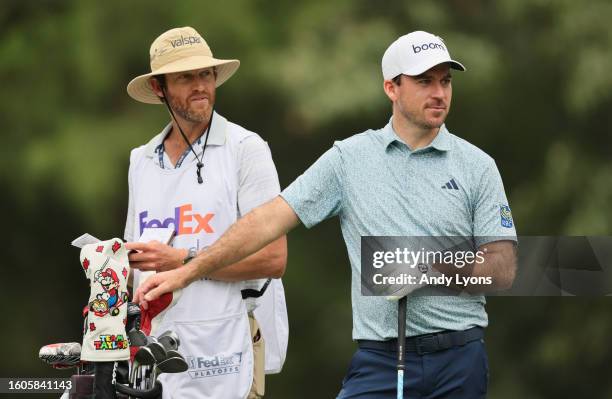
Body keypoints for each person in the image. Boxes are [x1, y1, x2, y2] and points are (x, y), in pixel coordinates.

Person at [136, 30, 518, 398]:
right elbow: (268, 221)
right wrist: (188, 270)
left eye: (445, 81)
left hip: (459, 356)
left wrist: (424, 267)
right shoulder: (348, 159)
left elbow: (503, 268)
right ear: (392, 87)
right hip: (381, 358)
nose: (439, 93)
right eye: (424, 81)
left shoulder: (477, 166)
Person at [123, 26, 288, 399]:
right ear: (158, 88)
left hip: (230, 352)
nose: (200, 85)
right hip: (157, 358)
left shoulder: (246, 148)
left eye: (206, 74)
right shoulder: (141, 160)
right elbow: (135, 270)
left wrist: (183, 259)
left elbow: (273, 258)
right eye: (186, 77)